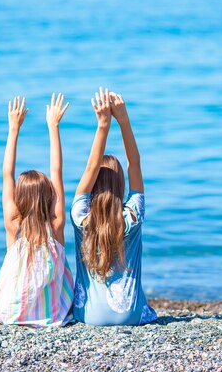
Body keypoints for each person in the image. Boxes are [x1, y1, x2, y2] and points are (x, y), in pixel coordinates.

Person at [71, 87, 157, 326]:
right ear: (121, 185)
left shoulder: (81, 219)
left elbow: (90, 168)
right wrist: (123, 120)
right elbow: (134, 164)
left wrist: (103, 125)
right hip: (130, 316)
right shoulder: (132, 217)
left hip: (87, 315)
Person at [0, 93, 74, 326]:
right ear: (49, 198)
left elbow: (7, 174)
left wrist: (13, 129)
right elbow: (57, 171)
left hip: (10, 314)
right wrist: (53, 126)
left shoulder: (13, 226)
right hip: (50, 315)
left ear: (19, 199)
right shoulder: (55, 226)